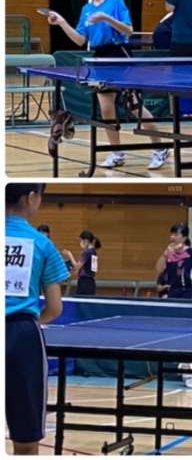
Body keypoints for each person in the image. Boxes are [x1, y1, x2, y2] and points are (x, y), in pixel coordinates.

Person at [45, 0, 169, 170]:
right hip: (100, 57)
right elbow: (80, 40)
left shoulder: (116, 1)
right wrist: (62, 22)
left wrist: (106, 17)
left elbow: (128, 30)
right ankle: (116, 153)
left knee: (134, 106)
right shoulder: (86, 9)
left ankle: (160, 148)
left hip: (119, 55)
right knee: (106, 109)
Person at [6, 184, 69, 455]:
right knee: (26, 441)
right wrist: (36, 320)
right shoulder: (42, 243)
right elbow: (54, 307)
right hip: (21, 336)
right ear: (31, 197)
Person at [62, 230, 101, 295]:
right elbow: (84, 269)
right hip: (90, 282)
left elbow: (77, 266)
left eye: (81, 240)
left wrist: (69, 255)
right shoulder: (93, 252)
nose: (80, 243)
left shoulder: (87, 252)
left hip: (85, 283)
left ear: (86, 240)